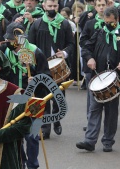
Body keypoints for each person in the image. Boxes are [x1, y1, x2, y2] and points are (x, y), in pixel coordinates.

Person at [3, 22, 51, 169]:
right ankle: (21, 163)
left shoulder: (35, 52)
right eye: (9, 39)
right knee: (16, 135)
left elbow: (48, 76)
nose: (9, 42)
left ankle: (32, 166)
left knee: (32, 136)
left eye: (12, 40)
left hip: (34, 98)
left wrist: (36, 79)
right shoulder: (6, 52)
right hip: (15, 99)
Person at [76, 6, 120, 152]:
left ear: (117, 20)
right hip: (98, 75)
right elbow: (86, 47)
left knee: (111, 112)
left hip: (115, 78)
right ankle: (90, 141)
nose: (108, 25)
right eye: (106, 22)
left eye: (111, 23)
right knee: (94, 109)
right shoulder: (100, 32)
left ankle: (108, 141)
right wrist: (90, 58)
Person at [28, 0, 74, 139]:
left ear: (58, 7)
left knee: (58, 96)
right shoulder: (37, 25)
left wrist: (64, 53)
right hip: (43, 66)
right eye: (50, 6)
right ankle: (45, 127)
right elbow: (30, 46)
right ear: (44, 7)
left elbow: (71, 44)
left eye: (55, 6)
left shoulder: (64, 24)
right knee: (44, 96)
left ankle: (57, 119)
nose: (52, 8)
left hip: (59, 66)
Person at [79, 0, 108, 131]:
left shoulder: (114, 23)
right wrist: (90, 55)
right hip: (93, 64)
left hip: (108, 65)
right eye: (99, 5)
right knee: (92, 96)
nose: (101, 8)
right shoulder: (90, 23)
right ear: (95, 7)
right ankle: (91, 123)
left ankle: (108, 124)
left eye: (103, 5)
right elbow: (83, 40)